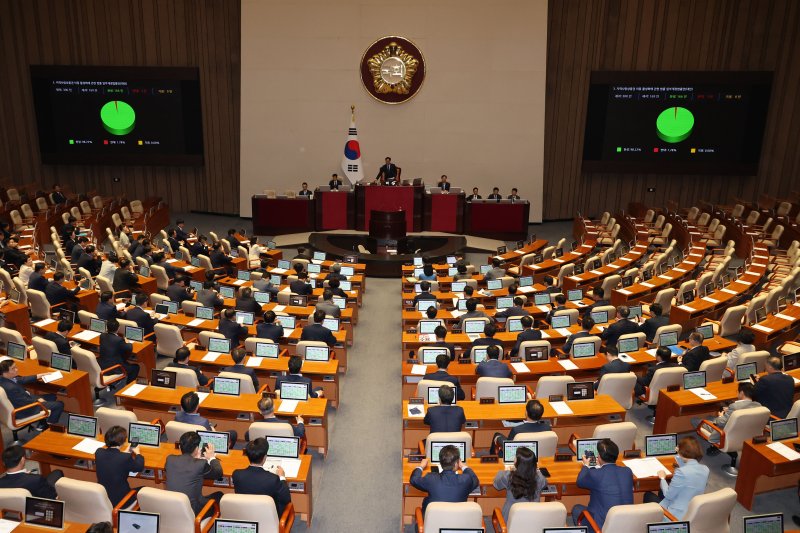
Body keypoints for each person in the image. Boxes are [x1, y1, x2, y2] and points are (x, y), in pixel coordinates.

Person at [571, 438, 633, 529]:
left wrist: (586, 466)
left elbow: (580, 482)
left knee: (576, 509)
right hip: (626, 524)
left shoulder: (596, 474)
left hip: (602, 527)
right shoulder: (627, 471)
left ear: (599, 456)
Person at [643, 437, 709, 519]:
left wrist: (662, 478)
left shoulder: (681, 472)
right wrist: (680, 454)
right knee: (661, 491)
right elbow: (686, 464)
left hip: (675, 515)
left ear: (683, 453)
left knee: (648, 495)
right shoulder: (705, 469)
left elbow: (668, 495)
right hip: (692, 510)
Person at [165, 431, 224, 515]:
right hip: (193, 511)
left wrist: (195, 459)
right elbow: (218, 473)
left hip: (172, 507)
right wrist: (211, 457)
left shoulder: (170, 459)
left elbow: (185, 468)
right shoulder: (200, 464)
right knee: (219, 495)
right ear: (197, 448)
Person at [410, 445, 479, 513]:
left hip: (433, 521)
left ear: (440, 462)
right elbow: (475, 480)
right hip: (457, 521)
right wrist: (463, 466)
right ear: (456, 463)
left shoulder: (431, 479)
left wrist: (421, 466)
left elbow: (414, 479)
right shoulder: (465, 479)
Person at [232, 438, 292, 516]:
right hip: (269, 517)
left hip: (245, 514)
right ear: (264, 458)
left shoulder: (236, 474)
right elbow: (286, 499)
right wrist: (282, 477)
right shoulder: (273, 479)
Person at [0, 359, 64, 428]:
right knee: (59, 405)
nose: (16, 369)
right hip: (25, 409)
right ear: (5, 373)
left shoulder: (4, 379)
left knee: (52, 396)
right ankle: (49, 425)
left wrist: (40, 375)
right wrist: (38, 400)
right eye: (13, 368)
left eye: (16, 367)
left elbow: (21, 379)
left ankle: (42, 421)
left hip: (24, 400)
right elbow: (24, 401)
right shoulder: (10, 388)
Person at [694, 382, 760, 448]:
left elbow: (720, 422)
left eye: (737, 391)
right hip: (745, 434)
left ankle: (713, 445)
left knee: (694, 420)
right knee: (709, 417)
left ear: (742, 393)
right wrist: (729, 411)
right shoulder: (758, 405)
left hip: (723, 433)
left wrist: (721, 416)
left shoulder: (734, 407)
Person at [493, 446, 547, 520]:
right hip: (533, 519)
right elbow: (544, 484)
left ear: (518, 462)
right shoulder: (540, 478)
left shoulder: (508, 476)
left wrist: (503, 471)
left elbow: (496, 484)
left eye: (515, 457)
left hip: (510, 520)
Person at [95, 425, 145, 506]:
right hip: (121, 501)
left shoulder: (99, 452)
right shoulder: (125, 458)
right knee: (144, 489)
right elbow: (139, 467)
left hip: (103, 497)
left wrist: (126, 452)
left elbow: (114, 460)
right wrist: (138, 453)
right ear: (123, 441)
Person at [99, 319, 139, 383]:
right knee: (136, 367)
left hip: (101, 365)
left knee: (125, 360)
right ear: (118, 328)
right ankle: (127, 386)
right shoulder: (119, 340)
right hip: (114, 368)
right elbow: (129, 348)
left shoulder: (102, 335)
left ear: (107, 327)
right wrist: (127, 341)